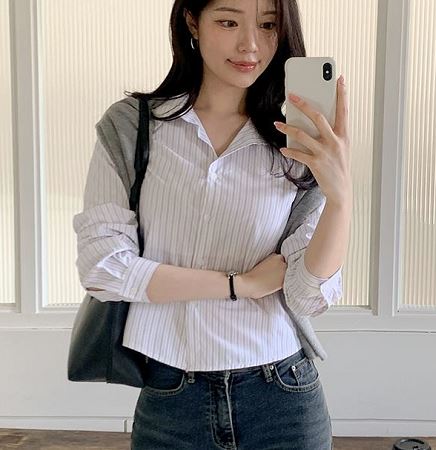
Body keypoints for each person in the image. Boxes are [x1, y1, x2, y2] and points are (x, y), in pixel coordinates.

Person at [73, 0, 352, 448]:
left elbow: (307, 295)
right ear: (192, 22)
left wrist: (340, 198)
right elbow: (103, 268)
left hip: (281, 394)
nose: (250, 45)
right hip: (170, 397)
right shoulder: (133, 126)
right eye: (227, 21)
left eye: (268, 25)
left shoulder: (297, 142)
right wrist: (239, 285)